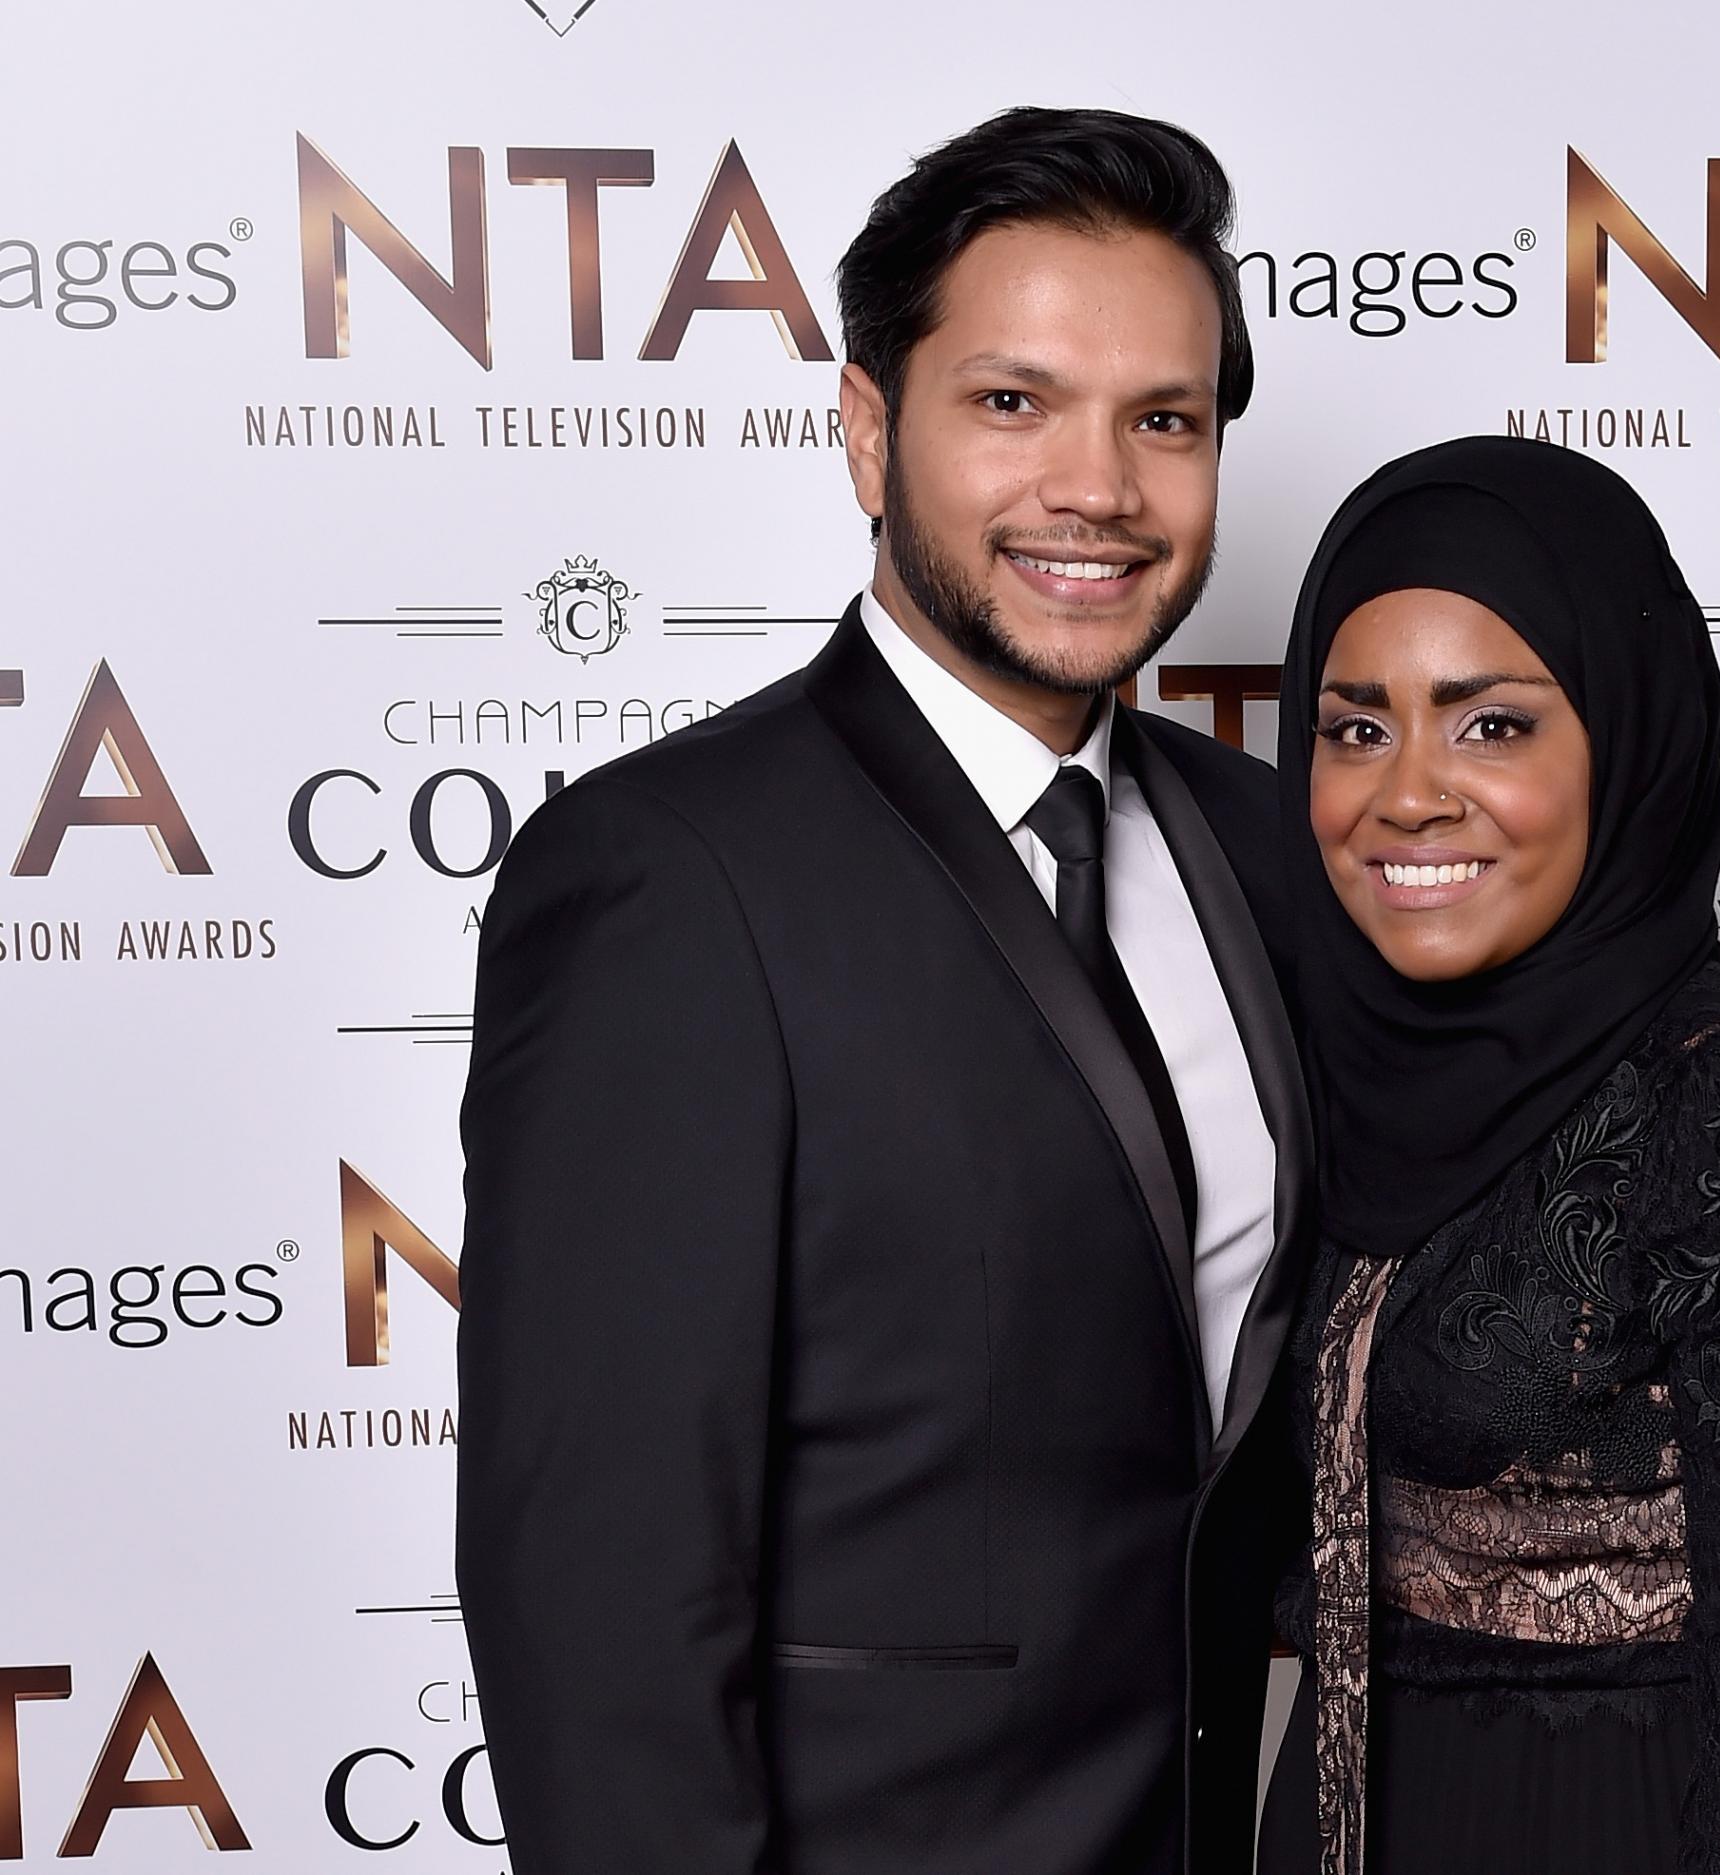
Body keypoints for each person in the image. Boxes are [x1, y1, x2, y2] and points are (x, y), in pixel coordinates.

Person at [456, 107, 1312, 1875]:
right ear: (867, 432)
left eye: (1164, 420)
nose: (1099, 488)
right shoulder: (667, 878)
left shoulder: (1266, 845)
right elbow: (601, 1590)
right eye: (1013, 403)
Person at [1257, 436, 1720, 1874]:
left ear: (1625, 744)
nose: (1409, 794)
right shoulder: (1306, 1058)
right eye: (1355, 727)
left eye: (1490, 725)